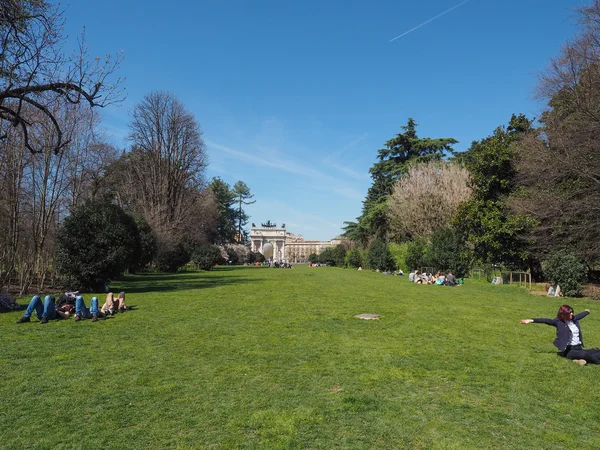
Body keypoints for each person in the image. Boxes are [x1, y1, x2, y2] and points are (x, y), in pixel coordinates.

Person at [520, 305, 600, 365]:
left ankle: (580, 361)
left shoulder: (574, 319)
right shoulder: (558, 322)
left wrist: (587, 311)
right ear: (564, 314)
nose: (572, 314)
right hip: (569, 350)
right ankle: (597, 362)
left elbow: (580, 315)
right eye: (570, 313)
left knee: (596, 351)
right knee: (585, 354)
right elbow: (545, 320)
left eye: (572, 312)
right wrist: (530, 320)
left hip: (578, 348)